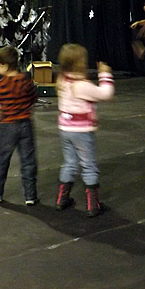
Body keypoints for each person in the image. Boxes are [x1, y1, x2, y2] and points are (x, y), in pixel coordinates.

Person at [54, 44, 115, 217]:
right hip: (81, 131)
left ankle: (62, 199)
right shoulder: (81, 85)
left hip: (65, 129)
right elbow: (106, 94)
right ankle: (93, 205)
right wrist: (104, 74)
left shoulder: (62, 80)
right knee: (88, 165)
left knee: (69, 163)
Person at [0, 46, 38, 206]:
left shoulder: (2, 85)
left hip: (7, 126)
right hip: (25, 124)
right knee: (28, 161)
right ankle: (30, 196)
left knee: (2, 160)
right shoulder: (25, 80)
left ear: (4, 66)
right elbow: (33, 97)